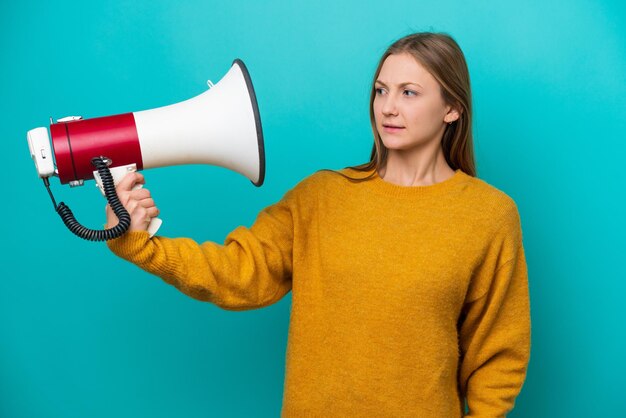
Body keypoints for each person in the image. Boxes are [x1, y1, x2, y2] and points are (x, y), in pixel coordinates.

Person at [106, 32, 531, 418]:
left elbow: (499, 355)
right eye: (380, 90)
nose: (387, 107)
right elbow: (237, 273)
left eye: (409, 93)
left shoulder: (488, 215)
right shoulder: (321, 197)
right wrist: (140, 244)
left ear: (452, 108)